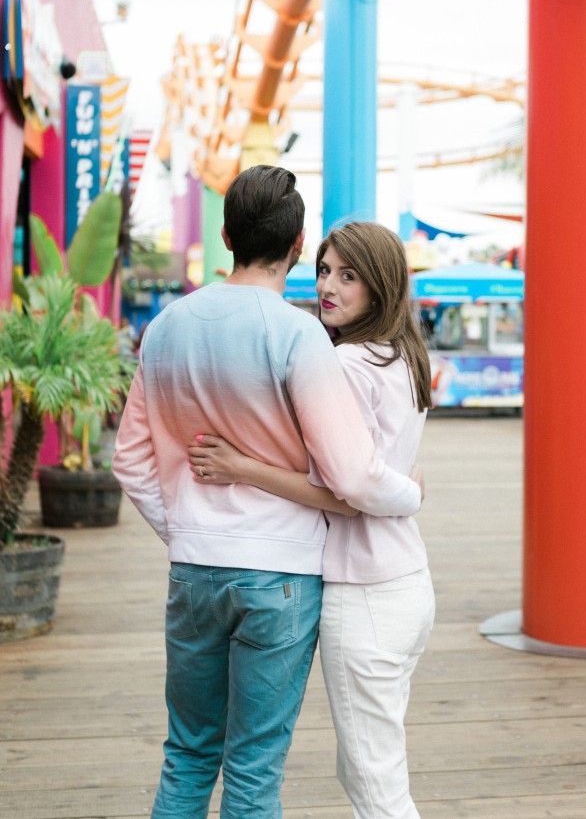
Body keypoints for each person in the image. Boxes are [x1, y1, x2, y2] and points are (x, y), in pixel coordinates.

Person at [111, 168, 423, 819]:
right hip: (282, 577)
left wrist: (189, 530)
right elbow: (353, 475)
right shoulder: (299, 336)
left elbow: (131, 461)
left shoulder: (165, 328)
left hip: (194, 571)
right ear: (298, 242)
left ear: (225, 235)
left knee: (189, 754)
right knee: (252, 770)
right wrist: (412, 494)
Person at [188, 221, 435, 819]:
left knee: (374, 783)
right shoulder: (402, 356)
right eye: (324, 270)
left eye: (349, 276)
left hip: (365, 589)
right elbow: (387, 470)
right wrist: (408, 491)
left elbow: (346, 493)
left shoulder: (347, 363)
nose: (329, 286)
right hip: (407, 582)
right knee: (376, 767)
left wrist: (239, 465)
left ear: (379, 286)